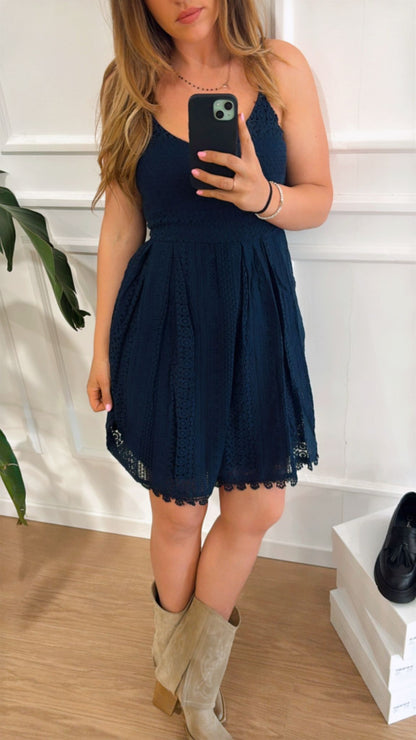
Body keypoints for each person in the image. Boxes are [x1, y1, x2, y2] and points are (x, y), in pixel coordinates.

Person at [87, 1, 333, 738]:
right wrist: (100, 347)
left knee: (256, 507)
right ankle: (195, 690)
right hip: (167, 315)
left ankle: (181, 674)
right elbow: (122, 224)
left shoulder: (280, 69)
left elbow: (319, 199)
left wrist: (262, 195)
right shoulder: (129, 84)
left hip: (256, 310)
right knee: (178, 511)